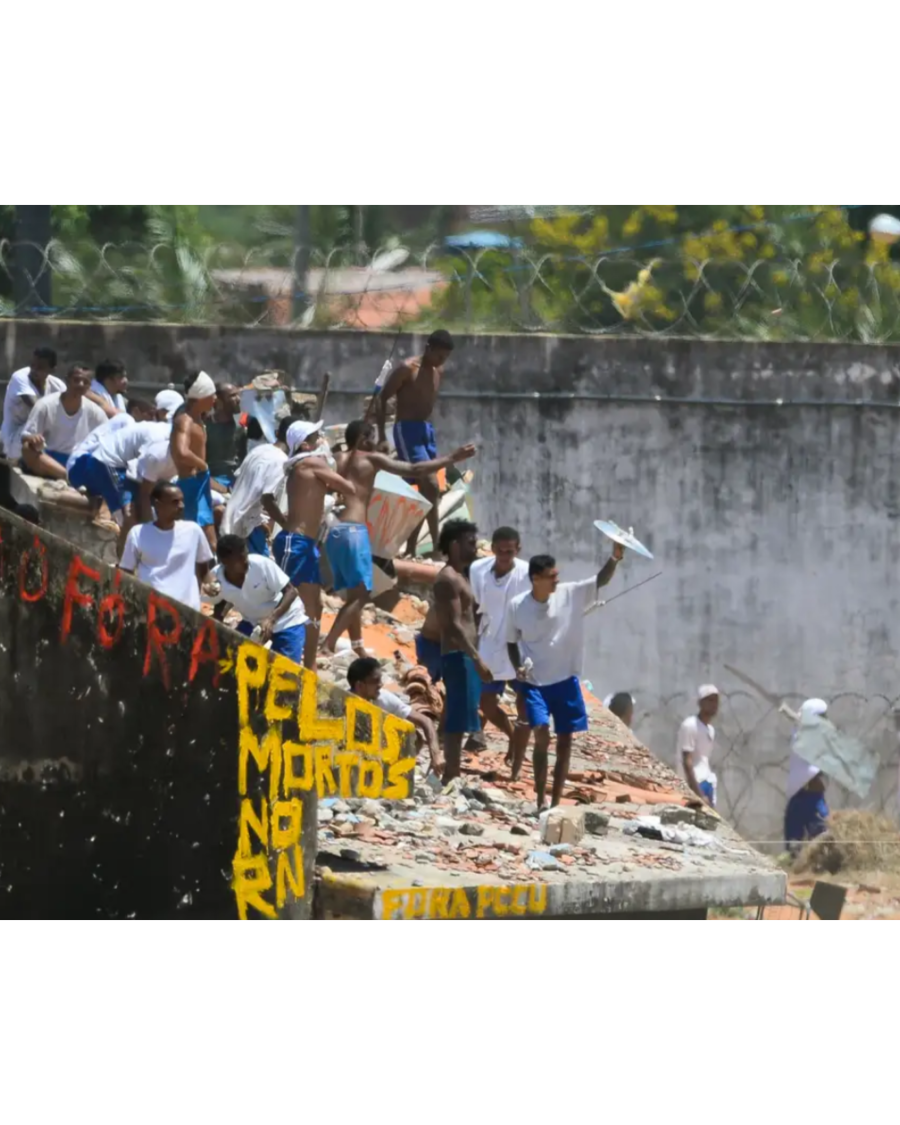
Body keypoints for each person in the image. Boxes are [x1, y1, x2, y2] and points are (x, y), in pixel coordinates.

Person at [320, 418, 476, 658]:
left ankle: (357, 644)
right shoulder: (371, 460)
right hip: (354, 531)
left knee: (353, 594)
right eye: (370, 437)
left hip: (334, 532)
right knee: (360, 595)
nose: (375, 442)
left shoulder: (337, 459)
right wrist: (451, 458)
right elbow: (414, 470)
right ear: (362, 438)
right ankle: (329, 644)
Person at [506, 547, 623, 810]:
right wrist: (517, 668)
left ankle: (556, 803)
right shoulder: (517, 606)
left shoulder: (570, 593)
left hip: (566, 681)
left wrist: (615, 557)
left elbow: (600, 579)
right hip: (535, 683)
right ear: (536, 578)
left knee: (565, 745)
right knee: (541, 736)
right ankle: (540, 800)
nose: (557, 580)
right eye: (551, 576)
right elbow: (511, 642)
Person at [268, 419, 356, 669]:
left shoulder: (304, 465)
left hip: (304, 545)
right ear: (305, 444)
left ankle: (309, 667)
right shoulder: (310, 462)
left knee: (313, 607)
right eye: (317, 437)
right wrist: (338, 464)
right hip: (295, 544)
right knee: (289, 605)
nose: (322, 441)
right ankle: (286, 661)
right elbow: (348, 487)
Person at [375, 328, 455, 558]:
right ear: (428, 348)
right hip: (406, 430)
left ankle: (411, 548)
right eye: (439, 355)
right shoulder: (406, 368)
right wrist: (381, 435)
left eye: (445, 358)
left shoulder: (438, 370)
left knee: (423, 490)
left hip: (426, 431)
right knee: (430, 484)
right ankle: (438, 548)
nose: (442, 361)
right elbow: (382, 398)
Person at [469, 526, 532, 773]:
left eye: (510, 551)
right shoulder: (478, 570)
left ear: (518, 550)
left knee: (524, 703)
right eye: (501, 550)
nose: (505, 555)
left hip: (522, 644)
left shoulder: (528, 573)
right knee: (486, 702)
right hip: (490, 641)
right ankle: (511, 737)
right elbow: (475, 606)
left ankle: (517, 760)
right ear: (493, 548)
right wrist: (473, 647)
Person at [433, 519, 492, 783]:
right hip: (459, 654)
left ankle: (448, 770)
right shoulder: (447, 579)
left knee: (459, 714)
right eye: (470, 543)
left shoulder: (462, 576)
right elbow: (453, 626)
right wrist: (476, 658)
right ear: (455, 545)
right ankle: (451, 774)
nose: (474, 548)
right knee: (457, 717)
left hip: (467, 653)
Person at [210, 535, 308, 665]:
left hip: (287, 620)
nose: (245, 560)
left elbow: (291, 591)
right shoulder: (217, 578)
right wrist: (217, 624)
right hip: (253, 622)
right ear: (225, 562)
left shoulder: (261, 565)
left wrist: (271, 620)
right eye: (239, 559)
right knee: (232, 661)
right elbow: (222, 601)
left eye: (245, 554)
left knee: (286, 673)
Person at [68, 408, 168, 532]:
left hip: (91, 467)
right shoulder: (127, 422)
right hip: (84, 463)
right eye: (148, 412)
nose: (150, 417)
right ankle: (110, 518)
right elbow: (132, 472)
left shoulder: (147, 433)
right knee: (128, 504)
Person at [119, 482, 213, 611]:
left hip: (188, 612)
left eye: (182, 501)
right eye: (175, 502)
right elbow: (126, 572)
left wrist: (211, 585)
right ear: (157, 504)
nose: (181, 506)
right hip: (152, 611)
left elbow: (204, 570)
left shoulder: (193, 531)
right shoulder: (138, 533)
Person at [347, 656, 443, 775]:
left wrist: (435, 754)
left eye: (380, 680)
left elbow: (426, 721)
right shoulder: (340, 705)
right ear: (360, 685)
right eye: (376, 681)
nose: (381, 685)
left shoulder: (383, 698)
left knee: (412, 736)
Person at [20, 364, 108, 480]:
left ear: (89, 386)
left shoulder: (95, 412)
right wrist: (34, 439)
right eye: (76, 380)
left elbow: (108, 440)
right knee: (27, 449)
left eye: (85, 382)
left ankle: (70, 477)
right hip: (49, 459)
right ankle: (67, 477)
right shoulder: (45, 405)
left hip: (78, 461)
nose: (80, 384)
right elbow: (26, 436)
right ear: (67, 381)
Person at [220, 416, 290, 557]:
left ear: (277, 433)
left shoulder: (259, 450)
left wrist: (259, 521)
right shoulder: (281, 461)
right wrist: (286, 525)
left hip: (233, 520)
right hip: (246, 531)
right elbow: (267, 499)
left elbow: (245, 486)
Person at [170, 370, 217, 549]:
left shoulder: (198, 419)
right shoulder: (185, 421)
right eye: (211, 395)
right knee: (203, 541)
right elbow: (181, 452)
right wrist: (202, 464)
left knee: (208, 542)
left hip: (200, 483)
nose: (214, 399)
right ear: (201, 395)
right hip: (191, 485)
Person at [1, 347, 65, 460]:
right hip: (14, 439)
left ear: (52, 370)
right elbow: (37, 408)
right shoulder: (20, 377)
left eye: (40, 367)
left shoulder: (57, 385)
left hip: (40, 437)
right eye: (32, 365)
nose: (34, 370)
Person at [785, 698, 830, 853]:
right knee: (793, 847)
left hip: (814, 797)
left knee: (822, 845)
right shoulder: (801, 735)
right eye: (822, 717)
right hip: (801, 795)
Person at [677, 686, 720, 807]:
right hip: (693, 785)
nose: (714, 704)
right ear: (700, 703)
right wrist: (698, 795)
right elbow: (687, 762)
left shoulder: (710, 730)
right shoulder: (690, 725)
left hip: (707, 782)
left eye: (716, 701)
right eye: (710, 700)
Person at [206, 382, 247, 493]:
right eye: (232, 396)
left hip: (238, 482)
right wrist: (221, 489)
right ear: (219, 401)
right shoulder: (206, 427)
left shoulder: (240, 427)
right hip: (213, 482)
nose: (238, 399)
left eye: (238, 395)